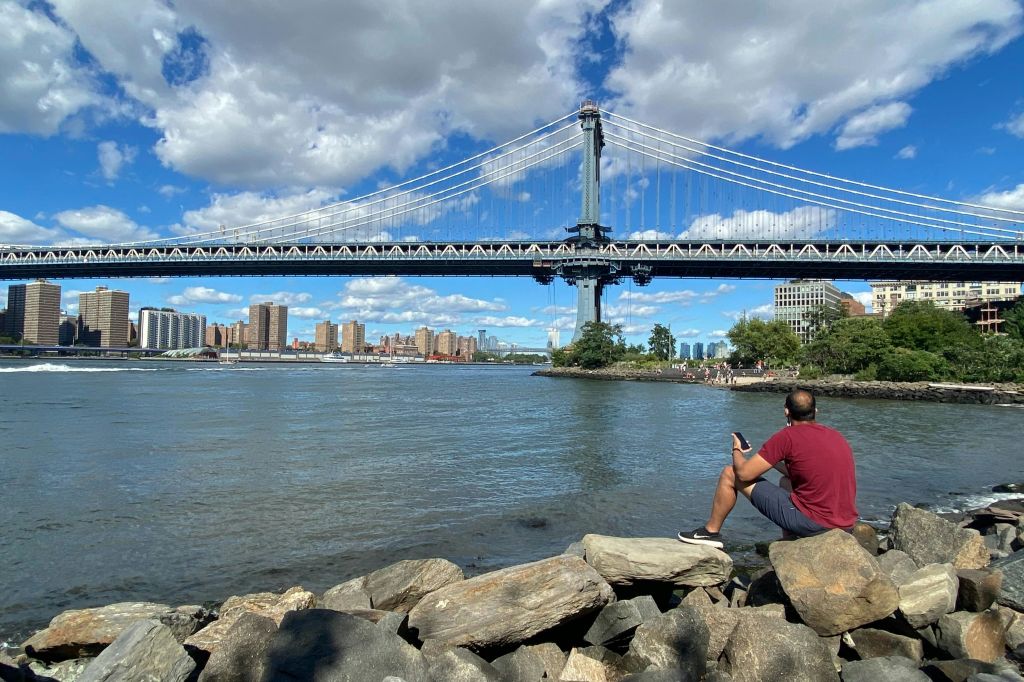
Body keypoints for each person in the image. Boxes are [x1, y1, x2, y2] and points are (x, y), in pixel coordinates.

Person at [677, 389, 857, 549]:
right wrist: (772, 459)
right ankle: (790, 540)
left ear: (786, 411)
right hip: (845, 524)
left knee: (729, 473)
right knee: (786, 482)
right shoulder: (836, 435)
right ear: (815, 411)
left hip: (815, 524)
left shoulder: (787, 436)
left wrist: (737, 449)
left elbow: (743, 474)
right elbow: (801, 473)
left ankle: (710, 531)